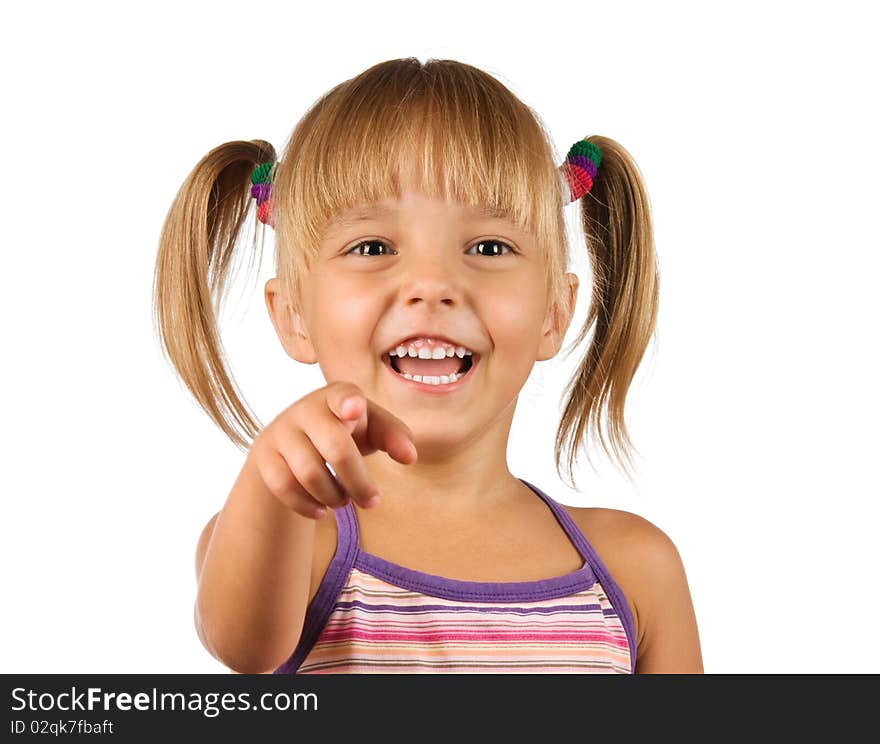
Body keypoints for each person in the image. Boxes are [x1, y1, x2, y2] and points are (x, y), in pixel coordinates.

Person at [153, 57, 703, 674]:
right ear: (293, 316)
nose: (433, 284)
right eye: (373, 247)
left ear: (554, 311)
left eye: (489, 247)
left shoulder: (634, 570)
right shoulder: (289, 539)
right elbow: (242, 644)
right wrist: (274, 475)